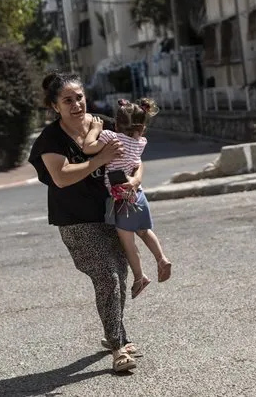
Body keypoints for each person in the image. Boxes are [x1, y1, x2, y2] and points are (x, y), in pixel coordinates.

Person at [28, 71, 143, 373]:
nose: (76, 104)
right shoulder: (50, 139)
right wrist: (98, 160)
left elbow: (134, 154)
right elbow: (61, 177)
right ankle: (118, 347)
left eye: (79, 97)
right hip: (75, 220)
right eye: (67, 100)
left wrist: (134, 180)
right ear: (55, 107)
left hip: (112, 213)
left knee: (119, 271)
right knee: (108, 276)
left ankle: (116, 334)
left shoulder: (103, 124)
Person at [83, 98, 172, 300]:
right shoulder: (141, 142)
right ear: (141, 127)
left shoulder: (109, 137)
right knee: (144, 230)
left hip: (120, 197)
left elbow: (88, 148)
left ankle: (140, 277)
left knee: (128, 242)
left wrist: (95, 129)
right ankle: (161, 258)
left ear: (115, 124)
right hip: (137, 193)